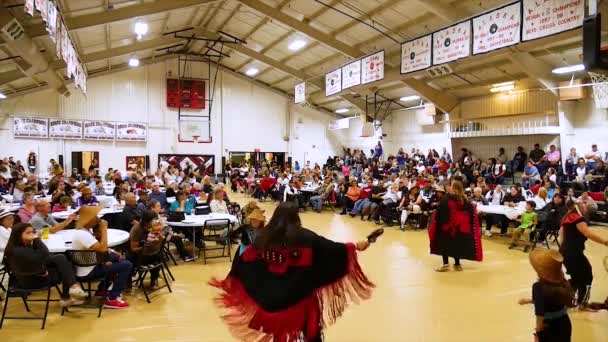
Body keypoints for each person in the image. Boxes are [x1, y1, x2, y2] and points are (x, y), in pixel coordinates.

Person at [209, 202, 375, 341]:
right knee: (311, 334)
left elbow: (245, 259)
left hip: (274, 301)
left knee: (279, 335)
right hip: (301, 300)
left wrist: (234, 281)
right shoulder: (306, 237)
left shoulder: (263, 237)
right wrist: (356, 247)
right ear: (296, 217)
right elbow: (333, 251)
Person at [3, 223, 87, 307]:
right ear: (18, 235)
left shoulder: (14, 247)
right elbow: (45, 255)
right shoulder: (20, 251)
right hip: (34, 281)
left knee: (60, 258)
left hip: (25, 279)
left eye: (32, 232)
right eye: (28, 233)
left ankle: (71, 290)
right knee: (67, 267)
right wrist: (36, 239)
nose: (32, 235)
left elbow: (41, 258)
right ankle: (68, 294)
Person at [71, 206, 133, 309]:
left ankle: (102, 290)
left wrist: (112, 255)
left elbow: (100, 251)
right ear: (88, 219)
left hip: (89, 264)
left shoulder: (84, 231)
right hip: (88, 271)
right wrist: (104, 229)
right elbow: (103, 249)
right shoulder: (83, 235)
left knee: (116, 258)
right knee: (127, 265)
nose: (97, 218)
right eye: (94, 216)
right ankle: (112, 299)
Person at [560, 200, 608, 310]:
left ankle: (565, 300)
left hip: (565, 252)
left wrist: (562, 251)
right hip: (573, 253)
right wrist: (605, 242)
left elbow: (561, 235)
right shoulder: (577, 218)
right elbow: (588, 233)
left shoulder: (567, 217)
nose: (586, 208)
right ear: (579, 206)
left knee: (576, 278)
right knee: (587, 276)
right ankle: (583, 304)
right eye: (584, 205)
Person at [518, 249, 575, 342]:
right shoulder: (563, 282)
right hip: (564, 324)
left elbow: (539, 316)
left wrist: (538, 334)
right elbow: (550, 300)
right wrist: (528, 300)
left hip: (549, 328)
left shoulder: (538, 287)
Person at [429, 180, 483, 272]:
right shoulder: (464, 199)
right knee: (456, 244)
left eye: (450, 185)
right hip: (459, 228)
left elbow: (441, 210)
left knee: (444, 245)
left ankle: (445, 264)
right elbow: (470, 210)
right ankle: (457, 264)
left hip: (446, 227)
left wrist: (436, 217)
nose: (448, 187)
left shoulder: (447, 198)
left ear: (453, 188)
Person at [128, 211, 164, 288]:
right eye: (154, 221)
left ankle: (154, 279)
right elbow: (133, 249)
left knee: (158, 255)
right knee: (129, 258)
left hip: (153, 254)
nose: (156, 222)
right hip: (139, 256)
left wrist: (159, 239)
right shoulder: (137, 229)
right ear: (146, 222)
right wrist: (147, 247)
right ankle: (128, 281)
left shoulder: (156, 228)